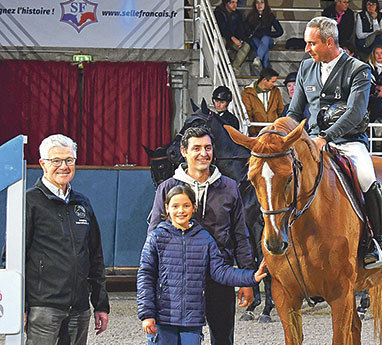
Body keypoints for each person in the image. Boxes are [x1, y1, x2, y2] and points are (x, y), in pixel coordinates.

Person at [287, 16, 382, 269]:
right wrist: (285, 135)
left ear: (329, 42)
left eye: (311, 43)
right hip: (311, 141)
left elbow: (355, 112)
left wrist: (327, 137)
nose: (306, 49)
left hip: (348, 141)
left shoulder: (358, 69)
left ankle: (378, 243)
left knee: (366, 177)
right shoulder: (305, 68)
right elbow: (294, 111)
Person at [148, 127, 256, 345]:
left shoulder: (230, 187)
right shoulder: (168, 187)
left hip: (220, 278)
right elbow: (154, 235)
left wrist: (247, 278)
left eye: (207, 148)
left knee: (223, 339)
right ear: (184, 151)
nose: (203, 153)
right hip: (180, 281)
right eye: (196, 148)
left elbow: (241, 236)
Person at [138, 185, 267, 345]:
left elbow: (220, 271)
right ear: (167, 208)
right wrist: (146, 314)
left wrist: (250, 277)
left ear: (193, 208)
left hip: (192, 321)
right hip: (163, 318)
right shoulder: (156, 238)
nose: (181, 211)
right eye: (175, 206)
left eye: (186, 205)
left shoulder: (204, 239)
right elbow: (145, 276)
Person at [25, 134, 109, 345]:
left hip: (79, 309)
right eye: (56, 161)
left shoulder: (82, 203)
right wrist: (22, 306)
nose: (63, 166)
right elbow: (14, 256)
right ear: (43, 164)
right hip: (43, 308)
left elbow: (95, 256)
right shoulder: (30, 201)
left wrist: (100, 304)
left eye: (69, 160)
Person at [241, 67, 285, 136]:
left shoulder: (276, 91)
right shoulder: (247, 93)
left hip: (274, 133)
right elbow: (248, 114)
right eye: (273, 82)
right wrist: (253, 133)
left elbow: (281, 110)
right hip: (257, 134)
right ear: (264, 80)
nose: (274, 84)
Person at [245, 0, 283, 70]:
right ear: (255, 4)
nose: (259, 5)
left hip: (268, 40)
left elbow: (280, 31)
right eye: (257, 2)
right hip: (255, 40)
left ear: (265, 4)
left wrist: (268, 34)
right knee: (258, 43)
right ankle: (266, 68)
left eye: (262, 2)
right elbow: (246, 31)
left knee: (265, 38)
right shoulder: (251, 16)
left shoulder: (270, 16)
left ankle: (258, 57)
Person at [214, 0, 251, 70]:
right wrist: (233, 38)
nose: (235, 5)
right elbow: (222, 29)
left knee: (246, 45)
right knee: (222, 41)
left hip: (233, 40)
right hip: (223, 38)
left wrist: (242, 39)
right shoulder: (218, 12)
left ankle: (234, 68)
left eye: (236, 2)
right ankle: (219, 67)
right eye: (232, 2)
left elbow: (241, 29)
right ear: (226, 3)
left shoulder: (237, 14)